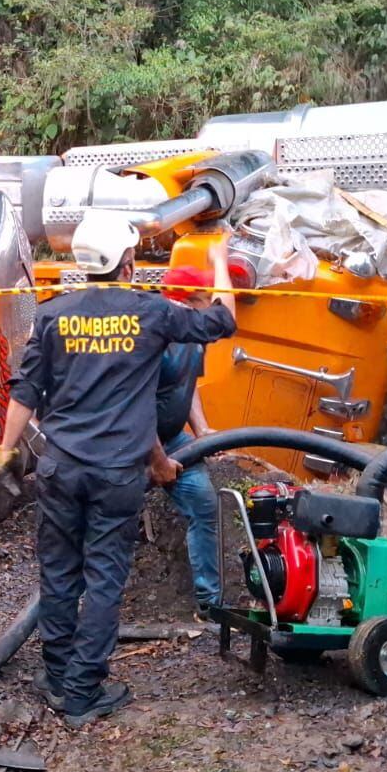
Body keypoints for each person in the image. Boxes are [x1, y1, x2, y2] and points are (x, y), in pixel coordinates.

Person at [0, 212, 236, 727]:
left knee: (59, 572)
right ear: (127, 261)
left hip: (60, 468)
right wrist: (217, 262)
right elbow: (221, 321)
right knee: (104, 577)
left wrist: (6, 450)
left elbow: (25, 391)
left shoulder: (55, 314)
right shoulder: (151, 312)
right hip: (115, 475)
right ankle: (81, 691)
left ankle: (57, 674)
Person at [153, 263, 222, 616]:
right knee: (110, 520)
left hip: (173, 436)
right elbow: (133, 407)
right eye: (206, 299)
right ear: (188, 299)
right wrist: (156, 460)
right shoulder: (155, 336)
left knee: (204, 505)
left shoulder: (194, 336)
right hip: (131, 444)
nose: (210, 306)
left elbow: (187, 385)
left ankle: (210, 605)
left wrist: (203, 431)